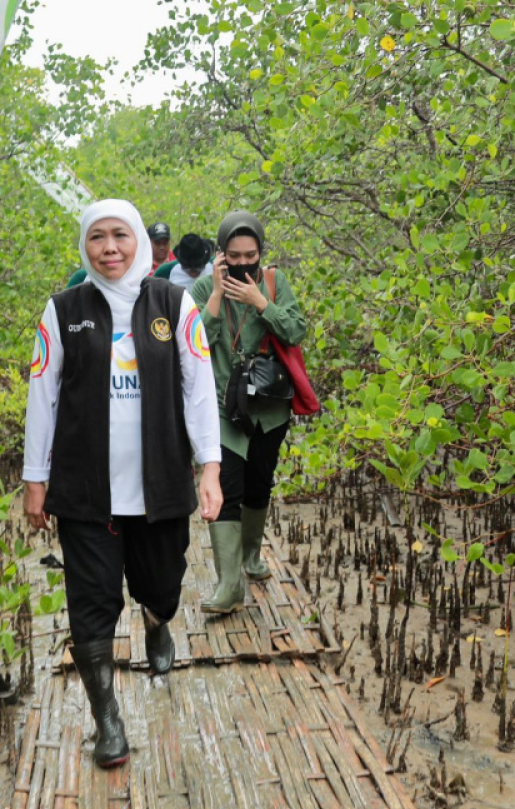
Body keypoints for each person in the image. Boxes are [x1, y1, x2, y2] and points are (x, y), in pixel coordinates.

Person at [24, 199, 222, 768]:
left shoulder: (173, 303)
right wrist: (34, 479)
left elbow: (198, 388)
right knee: (91, 605)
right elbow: (43, 396)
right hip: (86, 490)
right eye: (97, 238)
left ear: (138, 239)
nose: (109, 248)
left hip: (158, 483)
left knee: (161, 584)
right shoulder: (63, 310)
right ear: (84, 247)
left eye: (120, 236)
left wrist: (209, 468)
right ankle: (108, 721)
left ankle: (159, 621)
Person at [189, 211, 308, 615]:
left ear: (261, 252)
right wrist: (218, 296)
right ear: (220, 254)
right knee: (227, 492)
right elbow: (194, 345)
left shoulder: (274, 283)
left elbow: (296, 330)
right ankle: (228, 584)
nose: (243, 263)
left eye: (250, 254)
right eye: (234, 256)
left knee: (260, 485)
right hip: (223, 409)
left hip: (268, 408)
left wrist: (262, 304)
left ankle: (252, 556)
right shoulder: (202, 288)